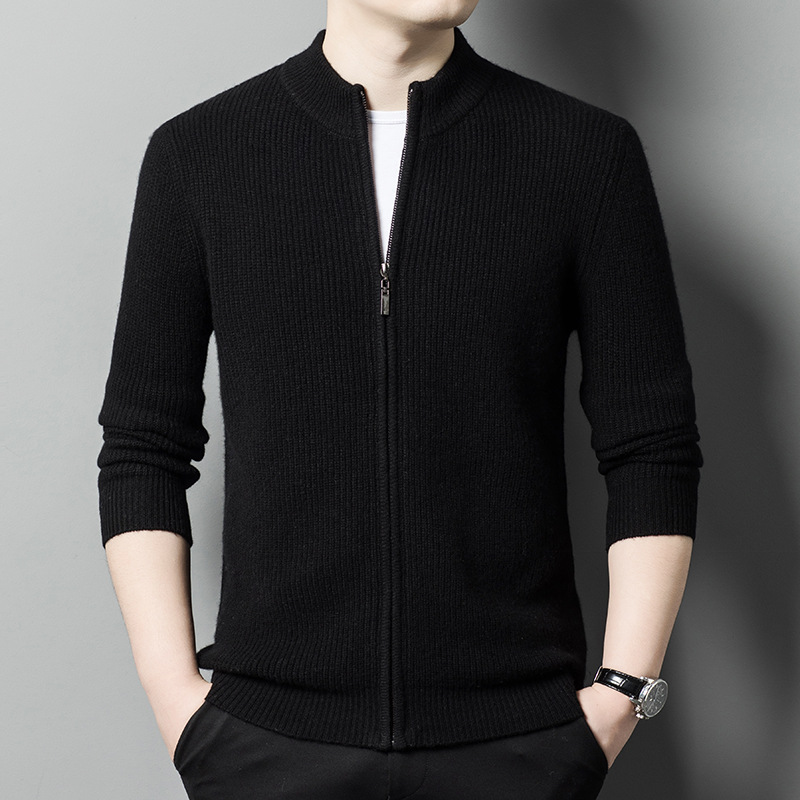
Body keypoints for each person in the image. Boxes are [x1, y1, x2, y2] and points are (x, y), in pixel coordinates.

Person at [96, 1, 703, 798]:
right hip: (266, 743)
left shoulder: (583, 153)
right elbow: (143, 446)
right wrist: (178, 702)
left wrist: (621, 695)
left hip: (520, 743)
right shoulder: (201, 154)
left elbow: (651, 446)